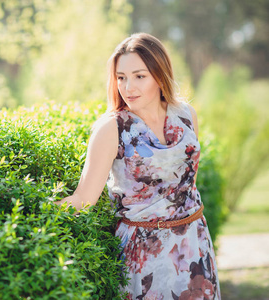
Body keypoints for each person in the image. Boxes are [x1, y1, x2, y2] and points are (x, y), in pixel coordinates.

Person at [55, 33, 221, 299]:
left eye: (139, 76)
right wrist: (31, 217)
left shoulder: (186, 116)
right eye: (121, 77)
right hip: (143, 253)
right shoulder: (111, 129)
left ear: (159, 75)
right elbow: (84, 199)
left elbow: (187, 183)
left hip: (193, 243)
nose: (128, 87)